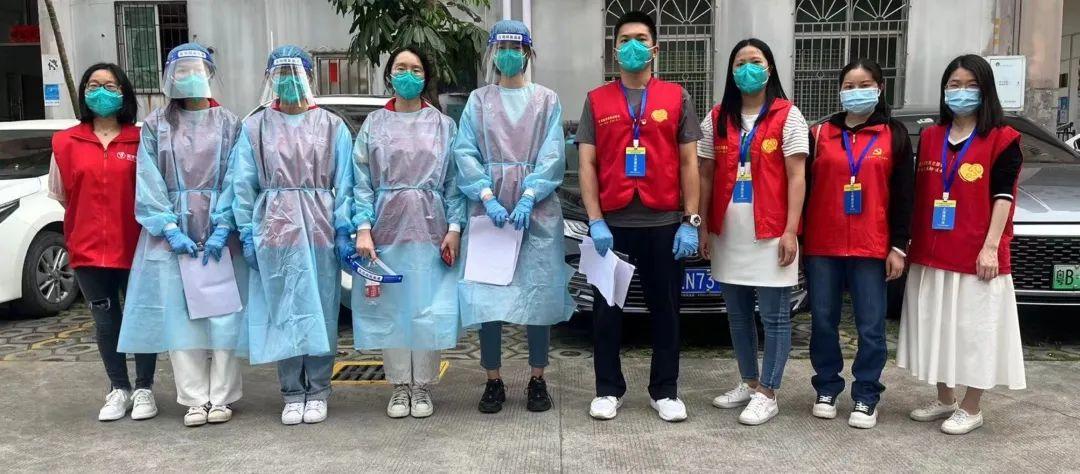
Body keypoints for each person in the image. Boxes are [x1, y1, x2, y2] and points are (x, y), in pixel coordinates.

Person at [216, 45, 355, 425]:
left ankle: (319, 389)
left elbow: (346, 183)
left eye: (297, 74)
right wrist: (247, 231)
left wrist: (344, 228)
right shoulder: (255, 127)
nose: (290, 81)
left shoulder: (332, 126)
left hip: (320, 228)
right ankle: (292, 391)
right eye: (282, 74)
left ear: (309, 78)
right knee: (283, 310)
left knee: (321, 310)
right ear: (270, 79)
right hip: (274, 229)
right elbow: (242, 183)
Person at [577, 11, 702, 422]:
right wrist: (595, 219)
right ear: (614, 49)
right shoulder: (597, 100)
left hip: (662, 222)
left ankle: (664, 391)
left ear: (655, 48)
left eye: (641, 38)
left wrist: (690, 220)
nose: (633, 45)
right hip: (612, 225)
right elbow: (587, 164)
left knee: (665, 311)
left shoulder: (677, 97)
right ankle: (607, 389)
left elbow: (689, 163)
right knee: (606, 311)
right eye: (625, 39)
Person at [115, 43, 246, 427]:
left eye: (196, 69)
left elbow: (238, 177)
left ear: (209, 74)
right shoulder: (156, 124)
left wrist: (224, 223)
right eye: (181, 70)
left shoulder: (230, 123)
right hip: (169, 234)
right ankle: (194, 398)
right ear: (170, 77)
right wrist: (169, 227)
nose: (189, 77)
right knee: (180, 316)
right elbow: (148, 177)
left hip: (220, 233)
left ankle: (221, 397)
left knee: (223, 315)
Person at [897, 54, 1026, 435]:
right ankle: (945, 398)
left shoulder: (1003, 139)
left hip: (976, 254)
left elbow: (1004, 197)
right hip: (932, 251)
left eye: (970, 85)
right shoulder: (932, 136)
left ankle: (972, 407)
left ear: (986, 90)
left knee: (975, 332)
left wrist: (990, 247)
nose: (961, 92)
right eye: (954, 85)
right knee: (936, 326)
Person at [454, 20, 573, 414]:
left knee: (537, 295)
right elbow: (465, 151)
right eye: (501, 47)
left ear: (527, 52)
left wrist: (530, 195)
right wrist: (486, 195)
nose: (508, 54)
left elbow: (553, 154)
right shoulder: (478, 101)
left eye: (515, 47)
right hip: (489, 212)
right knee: (489, 297)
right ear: (493, 53)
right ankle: (493, 380)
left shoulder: (546, 100)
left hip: (536, 212)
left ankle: (538, 379)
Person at [697, 38, 808, 426]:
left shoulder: (788, 115)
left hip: (772, 231)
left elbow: (797, 177)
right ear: (731, 72)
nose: (747, 69)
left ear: (769, 67)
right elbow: (705, 175)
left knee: (775, 317)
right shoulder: (717, 118)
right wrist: (702, 225)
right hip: (729, 232)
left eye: (755, 61)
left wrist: (791, 230)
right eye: (740, 63)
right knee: (738, 316)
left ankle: (768, 392)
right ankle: (748, 381)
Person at [351, 46, 464, 419]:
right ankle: (400, 385)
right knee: (394, 308)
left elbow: (454, 182)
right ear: (389, 75)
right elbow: (361, 180)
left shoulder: (443, 126)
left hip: (431, 229)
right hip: (386, 228)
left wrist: (454, 227)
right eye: (401, 68)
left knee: (426, 307)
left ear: (426, 77)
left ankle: (423, 385)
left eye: (416, 69)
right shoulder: (374, 125)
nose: (408, 75)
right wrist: (363, 228)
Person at [802, 59, 914, 429]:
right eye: (849, 86)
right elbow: (803, 191)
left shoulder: (894, 134)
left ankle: (866, 394)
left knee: (871, 326)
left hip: (872, 246)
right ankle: (827, 386)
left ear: (880, 89)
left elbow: (905, 195)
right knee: (823, 321)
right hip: (823, 245)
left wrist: (898, 246)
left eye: (864, 85)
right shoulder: (820, 133)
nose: (856, 92)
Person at [48, 63, 158, 421]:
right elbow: (63, 195)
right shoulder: (65, 142)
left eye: (110, 86)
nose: (101, 92)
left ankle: (144, 388)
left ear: (124, 93)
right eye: (93, 85)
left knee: (140, 317)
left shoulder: (142, 139)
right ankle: (118, 388)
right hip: (88, 250)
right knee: (106, 320)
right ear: (83, 93)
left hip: (137, 246)